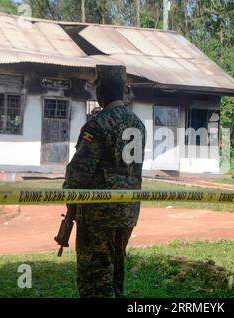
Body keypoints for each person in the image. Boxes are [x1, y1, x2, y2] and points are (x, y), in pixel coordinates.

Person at [63, 64, 146, 298]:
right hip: (128, 211)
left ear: (101, 92)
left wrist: (69, 196)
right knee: (116, 274)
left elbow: (79, 171)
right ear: (122, 91)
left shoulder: (98, 124)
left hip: (99, 214)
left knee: (95, 280)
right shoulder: (138, 124)